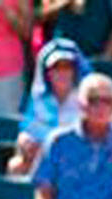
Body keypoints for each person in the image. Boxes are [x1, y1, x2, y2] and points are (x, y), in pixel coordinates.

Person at [11, 38, 88, 176]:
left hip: (77, 162)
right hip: (41, 158)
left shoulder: (86, 100)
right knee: (16, 166)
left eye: (67, 67)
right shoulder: (38, 100)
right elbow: (28, 130)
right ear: (47, 73)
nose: (62, 73)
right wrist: (25, 141)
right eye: (56, 68)